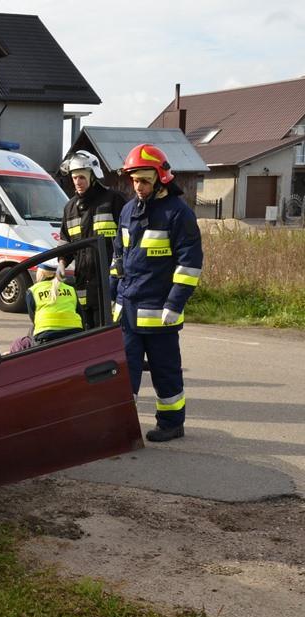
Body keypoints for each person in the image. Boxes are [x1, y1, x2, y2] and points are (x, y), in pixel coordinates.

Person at [112, 143, 203, 442]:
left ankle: (172, 423)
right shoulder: (127, 211)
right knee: (125, 374)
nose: (138, 186)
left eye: (145, 180)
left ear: (161, 177)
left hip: (160, 313)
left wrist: (175, 304)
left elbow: (190, 264)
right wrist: (114, 297)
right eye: (135, 180)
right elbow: (118, 258)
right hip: (127, 311)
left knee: (166, 372)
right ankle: (122, 426)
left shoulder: (179, 214)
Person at [57, 150, 127, 329]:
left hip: (109, 285)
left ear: (93, 175)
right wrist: (62, 263)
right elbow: (66, 242)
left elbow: (130, 238)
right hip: (83, 286)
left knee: (108, 335)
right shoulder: (70, 208)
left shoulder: (113, 200)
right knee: (87, 335)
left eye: (82, 177)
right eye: (74, 178)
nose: (77, 182)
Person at [9, 262, 84, 352]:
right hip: (74, 334)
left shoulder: (33, 290)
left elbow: (33, 318)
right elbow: (80, 314)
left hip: (46, 338)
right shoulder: (70, 289)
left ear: (41, 273)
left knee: (20, 342)